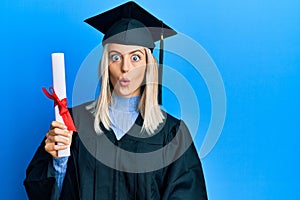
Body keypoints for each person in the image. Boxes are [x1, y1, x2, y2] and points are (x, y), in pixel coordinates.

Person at [24, 1, 208, 199]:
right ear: (105, 65)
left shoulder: (172, 134)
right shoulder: (72, 123)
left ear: (149, 65)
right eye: (115, 57)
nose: (125, 67)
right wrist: (59, 162)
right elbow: (45, 191)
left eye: (135, 58)